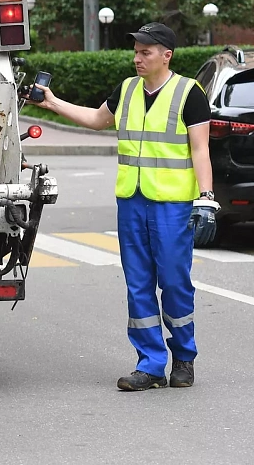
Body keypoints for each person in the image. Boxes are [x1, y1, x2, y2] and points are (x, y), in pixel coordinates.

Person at [29, 22, 217, 392]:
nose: (137, 58)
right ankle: (149, 364)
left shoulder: (188, 93)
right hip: (132, 202)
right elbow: (97, 120)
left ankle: (184, 357)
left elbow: (200, 150)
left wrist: (206, 198)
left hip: (172, 205)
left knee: (175, 283)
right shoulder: (127, 90)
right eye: (136, 51)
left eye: (146, 52)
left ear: (167, 55)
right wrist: (51, 103)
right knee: (138, 285)